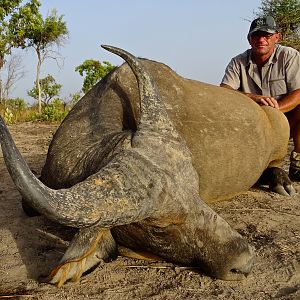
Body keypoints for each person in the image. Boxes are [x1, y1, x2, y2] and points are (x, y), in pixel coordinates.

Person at [220, 16, 300, 181]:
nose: (261, 40)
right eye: (256, 35)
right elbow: (224, 92)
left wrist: (275, 113)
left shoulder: (289, 56)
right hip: (252, 124)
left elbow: (298, 91)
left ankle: (297, 164)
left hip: (285, 120)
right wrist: (254, 98)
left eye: (267, 35)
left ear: (277, 37)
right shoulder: (237, 62)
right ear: (249, 39)